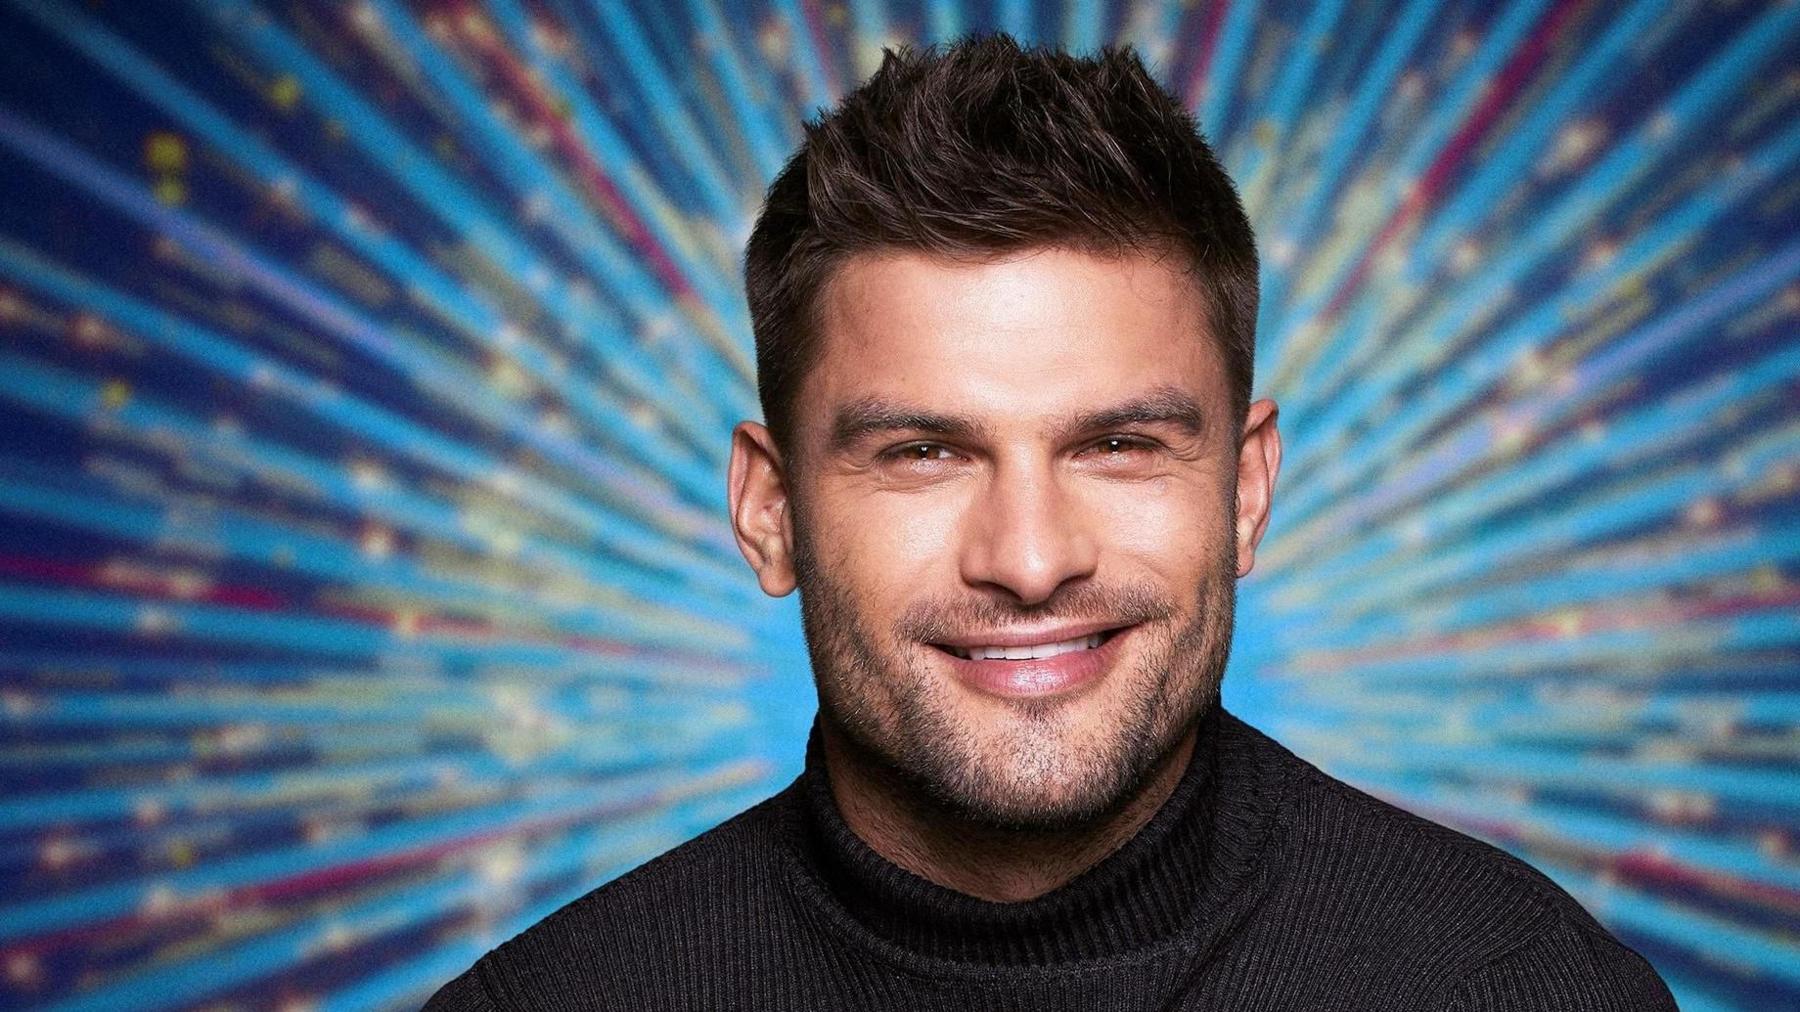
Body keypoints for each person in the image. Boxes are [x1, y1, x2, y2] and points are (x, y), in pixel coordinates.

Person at [425, 35, 1675, 1011]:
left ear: (1244, 489)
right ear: (771, 512)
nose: (1029, 560)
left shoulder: (1513, 991)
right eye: (923, 452)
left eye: (1119, 445)